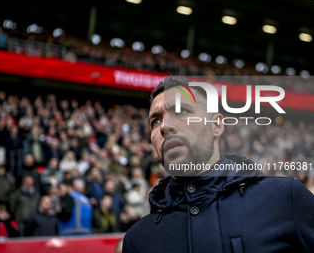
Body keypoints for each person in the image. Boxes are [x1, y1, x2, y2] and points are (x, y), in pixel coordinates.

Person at [123, 75, 314, 252]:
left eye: (181, 111)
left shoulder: (284, 199)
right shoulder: (137, 240)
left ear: (216, 125)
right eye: (155, 121)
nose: (164, 126)